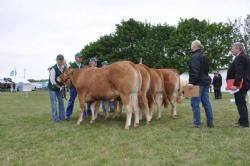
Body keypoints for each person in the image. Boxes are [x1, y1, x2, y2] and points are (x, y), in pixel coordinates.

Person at [187, 40, 214, 128]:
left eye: (191, 45)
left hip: (197, 83)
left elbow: (195, 71)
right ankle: (210, 123)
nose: (191, 46)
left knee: (194, 103)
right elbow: (205, 70)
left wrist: (191, 83)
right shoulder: (204, 56)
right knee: (206, 103)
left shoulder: (195, 57)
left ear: (195, 46)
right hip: (205, 82)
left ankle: (196, 123)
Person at [226, 42, 250, 128]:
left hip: (241, 84)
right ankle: (242, 121)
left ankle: (244, 123)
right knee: (240, 102)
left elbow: (239, 72)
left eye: (232, 48)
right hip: (244, 83)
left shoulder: (240, 58)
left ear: (238, 48)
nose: (231, 49)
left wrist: (236, 84)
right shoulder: (242, 57)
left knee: (240, 102)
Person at [65, 53, 84, 120]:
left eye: (81, 57)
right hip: (73, 86)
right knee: (71, 100)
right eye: (79, 57)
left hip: (82, 87)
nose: (80, 58)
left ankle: (83, 114)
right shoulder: (71, 65)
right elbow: (67, 74)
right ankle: (68, 115)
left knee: (83, 100)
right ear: (75, 58)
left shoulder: (83, 66)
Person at [48, 54, 66, 122]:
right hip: (52, 88)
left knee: (61, 102)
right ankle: (55, 118)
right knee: (54, 103)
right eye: (59, 60)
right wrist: (60, 87)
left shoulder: (64, 67)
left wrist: (63, 85)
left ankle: (62, 117)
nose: (61, 61)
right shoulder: (53, 69)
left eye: (62, 60)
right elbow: (52, 81)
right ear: (57, 60)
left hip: (60, 87)